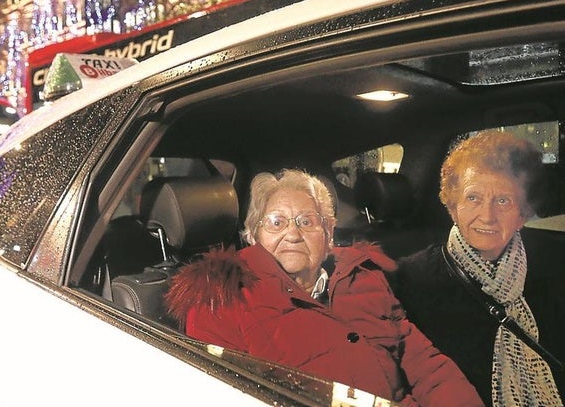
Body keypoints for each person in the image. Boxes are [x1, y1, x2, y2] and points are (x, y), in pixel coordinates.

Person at [165, 169, 483, 406]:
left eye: (307, 221)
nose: (292, 234)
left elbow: (425, 364)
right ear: (252, 235)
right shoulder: (220, 301)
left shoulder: (363, 278)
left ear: (328, 234)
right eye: (276, 221)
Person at [392, 130, 564, 407]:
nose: (487, 216)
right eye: (473, 198)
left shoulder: (553, 265)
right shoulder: (410, 279)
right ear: (453, 206)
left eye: (503, 201)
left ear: (523, 213)